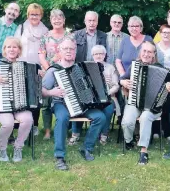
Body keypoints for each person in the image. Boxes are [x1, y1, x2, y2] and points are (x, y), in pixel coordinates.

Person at [42, 37, 106, 171]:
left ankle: (86, 148)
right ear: (59, 50)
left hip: (82, 104)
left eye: (71, 48)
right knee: (62, 118)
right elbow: (41, 90)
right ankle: (60, 156)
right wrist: (51, 92)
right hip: (61, 103)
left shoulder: (81, 68)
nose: (69, 51)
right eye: (66, 48)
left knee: (100, 117)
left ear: (75, 51)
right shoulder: (54, 69)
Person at [0, 37, 34, 163]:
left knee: (28, 119)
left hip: (19, 104)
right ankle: (2, 148)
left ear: (19, 50)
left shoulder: (24, 66)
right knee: (8, 123)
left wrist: (38, 75)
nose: (12, 49)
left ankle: (18, 147)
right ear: (4, 50)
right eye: (9, 47)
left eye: (15, 47)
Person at [120, 41, 165, 165]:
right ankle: (129, 141)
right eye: (144, 51)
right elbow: (123, 78)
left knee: (145, 117)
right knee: (127, 122)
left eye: (149, 52)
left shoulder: (160, 68)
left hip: (152, 107)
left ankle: (143, 152)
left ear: (153, 54)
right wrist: (123, 82)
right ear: (141, 51)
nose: (146, 54)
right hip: (134, 102)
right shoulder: (134, 66)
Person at [38, 9, 74, 140]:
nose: (57, 20)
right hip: (49, 72)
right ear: (51, 20)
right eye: (54, 18)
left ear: (64, 20)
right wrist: (49, 71)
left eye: (60, 18)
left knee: (66, 100)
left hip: (66, 73)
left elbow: (72, 54)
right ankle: (47, 130)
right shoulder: (45, 36)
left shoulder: (70, 36)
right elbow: (41, 55)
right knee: (46, 102)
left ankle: (67, 127)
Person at [15, 3, 49, 137]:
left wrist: (45, 68)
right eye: (31, 14)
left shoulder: (45, 30)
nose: (34, 16)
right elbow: (15, 45)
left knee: (35, 96)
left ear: (41, 15)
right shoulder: (21, 28)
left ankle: (34, 125)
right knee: (22, 95)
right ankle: (19, 124)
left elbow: (46, 50)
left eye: (37, 14)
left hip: (37, 67)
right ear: (28, 15)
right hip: (21, 64)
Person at [93, 45, 120, 145]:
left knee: (108, 108)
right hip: (92, 98)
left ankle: (104, 134)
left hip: (109, 97)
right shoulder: (88, 66)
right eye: (96, 54)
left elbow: (116, 86)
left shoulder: (110, 68)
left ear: (104, 55)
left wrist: (106, 92)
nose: (98, 56)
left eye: (101, 53)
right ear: (93, 55)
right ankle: (78, 134)